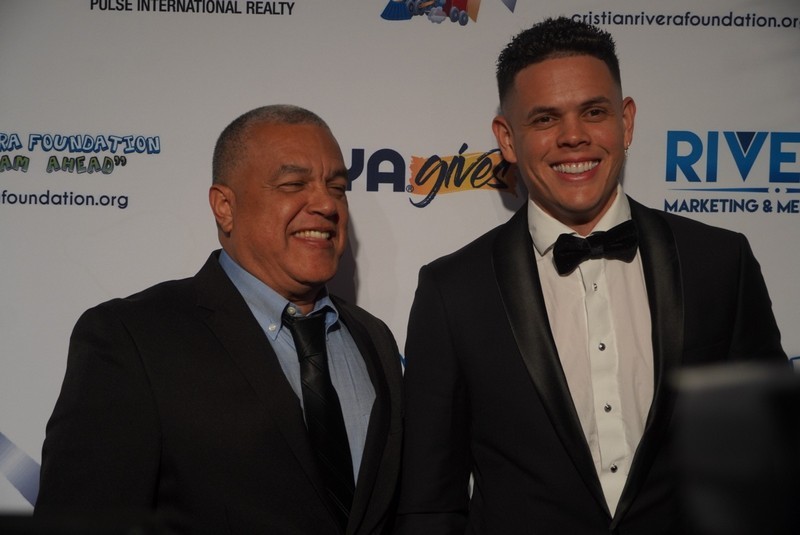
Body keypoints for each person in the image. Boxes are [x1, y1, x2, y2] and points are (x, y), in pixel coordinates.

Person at [395, 17, 787, 534]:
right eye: (544, 119)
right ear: (507, 139)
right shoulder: (453, 291)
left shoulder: (720, 262)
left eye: (594, 112)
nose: (573, 136)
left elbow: (770, 466)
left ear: (626, 121)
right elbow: (430, 503)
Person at [36, 105, 403, 534]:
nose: (326, 203)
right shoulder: (132, 339)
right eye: (293, 184)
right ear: (225, 207)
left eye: (337, 187)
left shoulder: (374, 338)